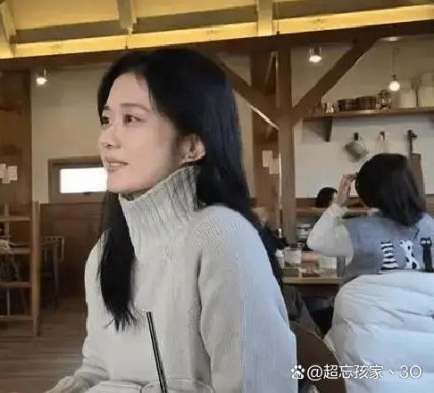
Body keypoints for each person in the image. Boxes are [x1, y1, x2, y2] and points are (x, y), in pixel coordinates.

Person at [46, 48, 295, 393]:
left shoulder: (221, 236)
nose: (106, 139)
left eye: (131, 119)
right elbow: (98, 368)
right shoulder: (105, 251)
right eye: (106, 119)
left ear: (192, 145)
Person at [308, 154, 434, 392]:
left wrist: (338, 205)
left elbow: (315, 241)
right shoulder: (429, 226)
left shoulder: (357, 231)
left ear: (366, 193)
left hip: (367, 373)